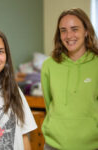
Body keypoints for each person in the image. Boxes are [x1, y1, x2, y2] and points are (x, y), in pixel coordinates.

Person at [41, 8, 98, 150]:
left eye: (74, 29)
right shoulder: (49, 65)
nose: (69, 35)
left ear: (86, 31)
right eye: (63, 30)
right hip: (54, 145)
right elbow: (49, 104)